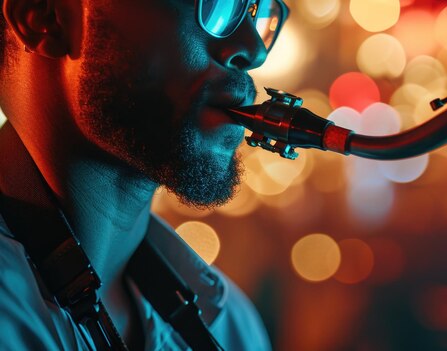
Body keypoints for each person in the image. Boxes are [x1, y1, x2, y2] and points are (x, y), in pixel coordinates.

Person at [0, 0, 288, 349]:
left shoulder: (234, 328)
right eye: (215, 3)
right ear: (43, 17)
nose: (254, 50)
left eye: (260, 10)